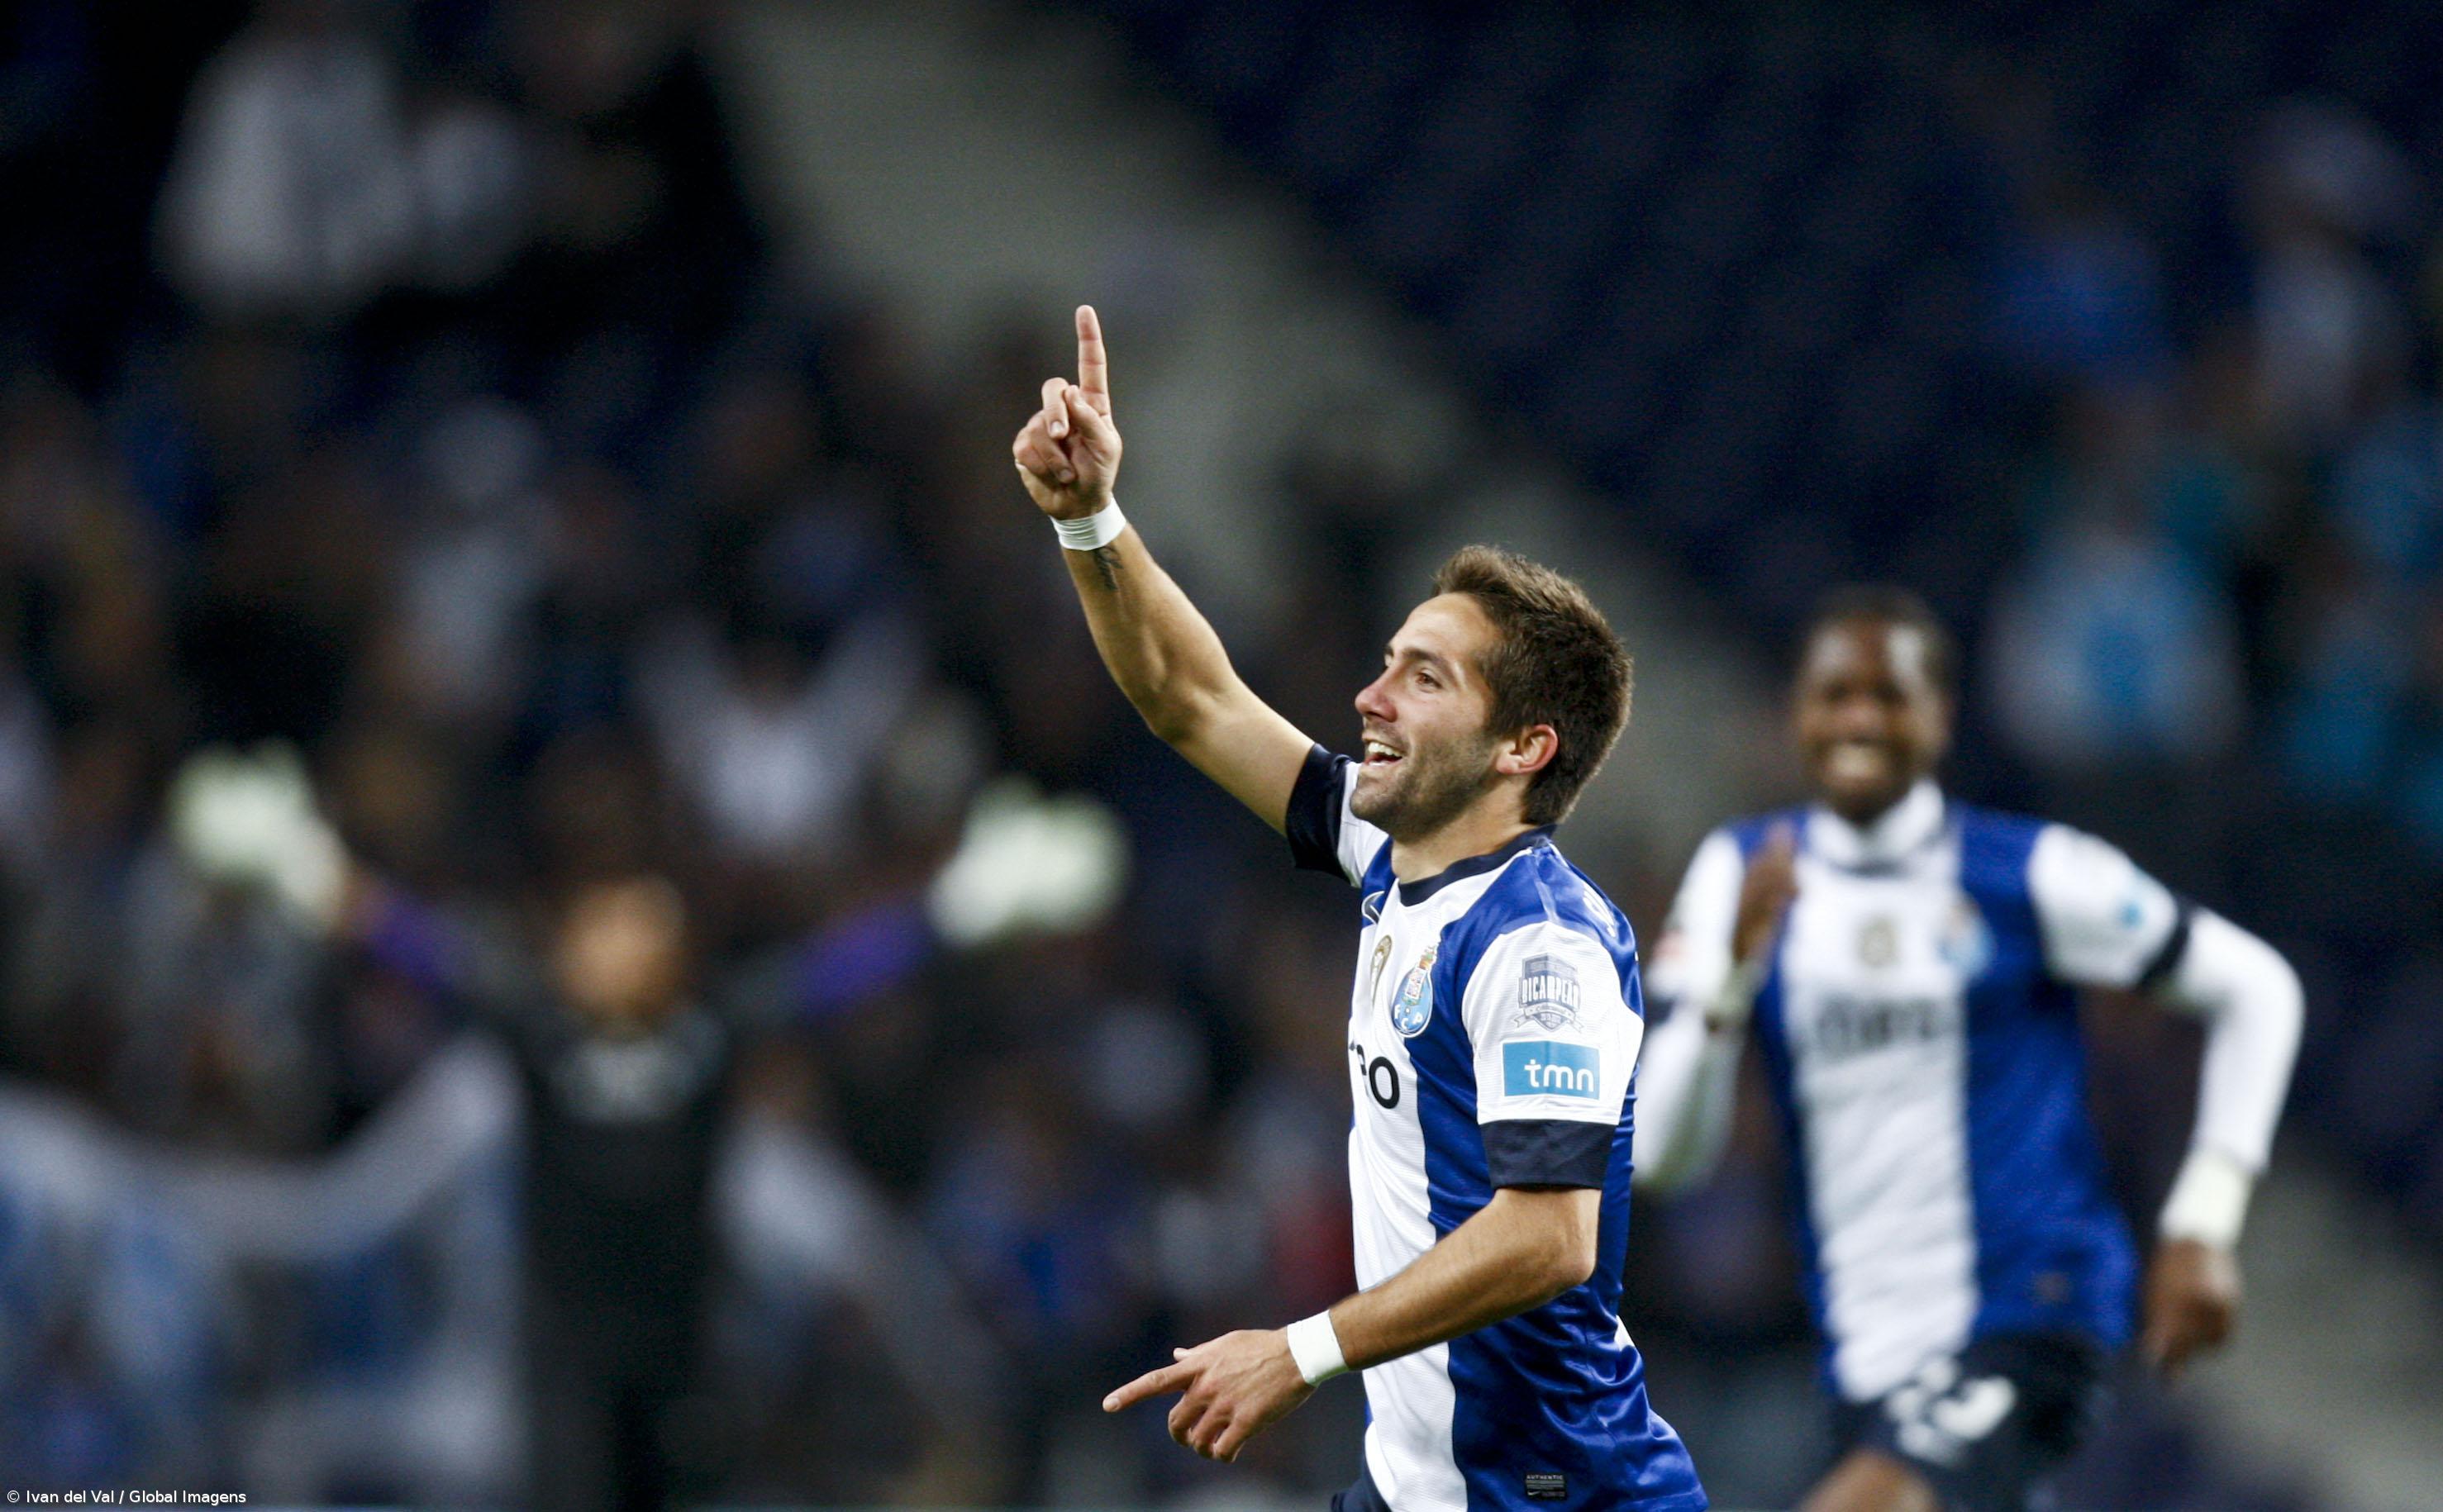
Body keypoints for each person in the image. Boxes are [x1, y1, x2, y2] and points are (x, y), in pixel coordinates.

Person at [1014, 307, 1706, 1510]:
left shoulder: (1541, 944)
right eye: (1389, 659)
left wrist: (1302, 1348)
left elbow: (1552, 1234)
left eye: (1422, 677)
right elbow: (1189, 696)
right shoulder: (1390, 853)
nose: (1369, 694)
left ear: (1521, 747)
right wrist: (1090, 518)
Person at [1632, 587, 2304, 1512]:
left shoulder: (2024, 871)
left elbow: (2256, 987)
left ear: (1940, 716)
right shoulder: (1742, 873)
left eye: (1889, 693)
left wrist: (2203, 1218)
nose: (1860, 716)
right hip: (1864, 1351)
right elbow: (1665, 1158)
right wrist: (1724, 994)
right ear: (1799, 717)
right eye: (1835, 694)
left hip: (2029, 1312)